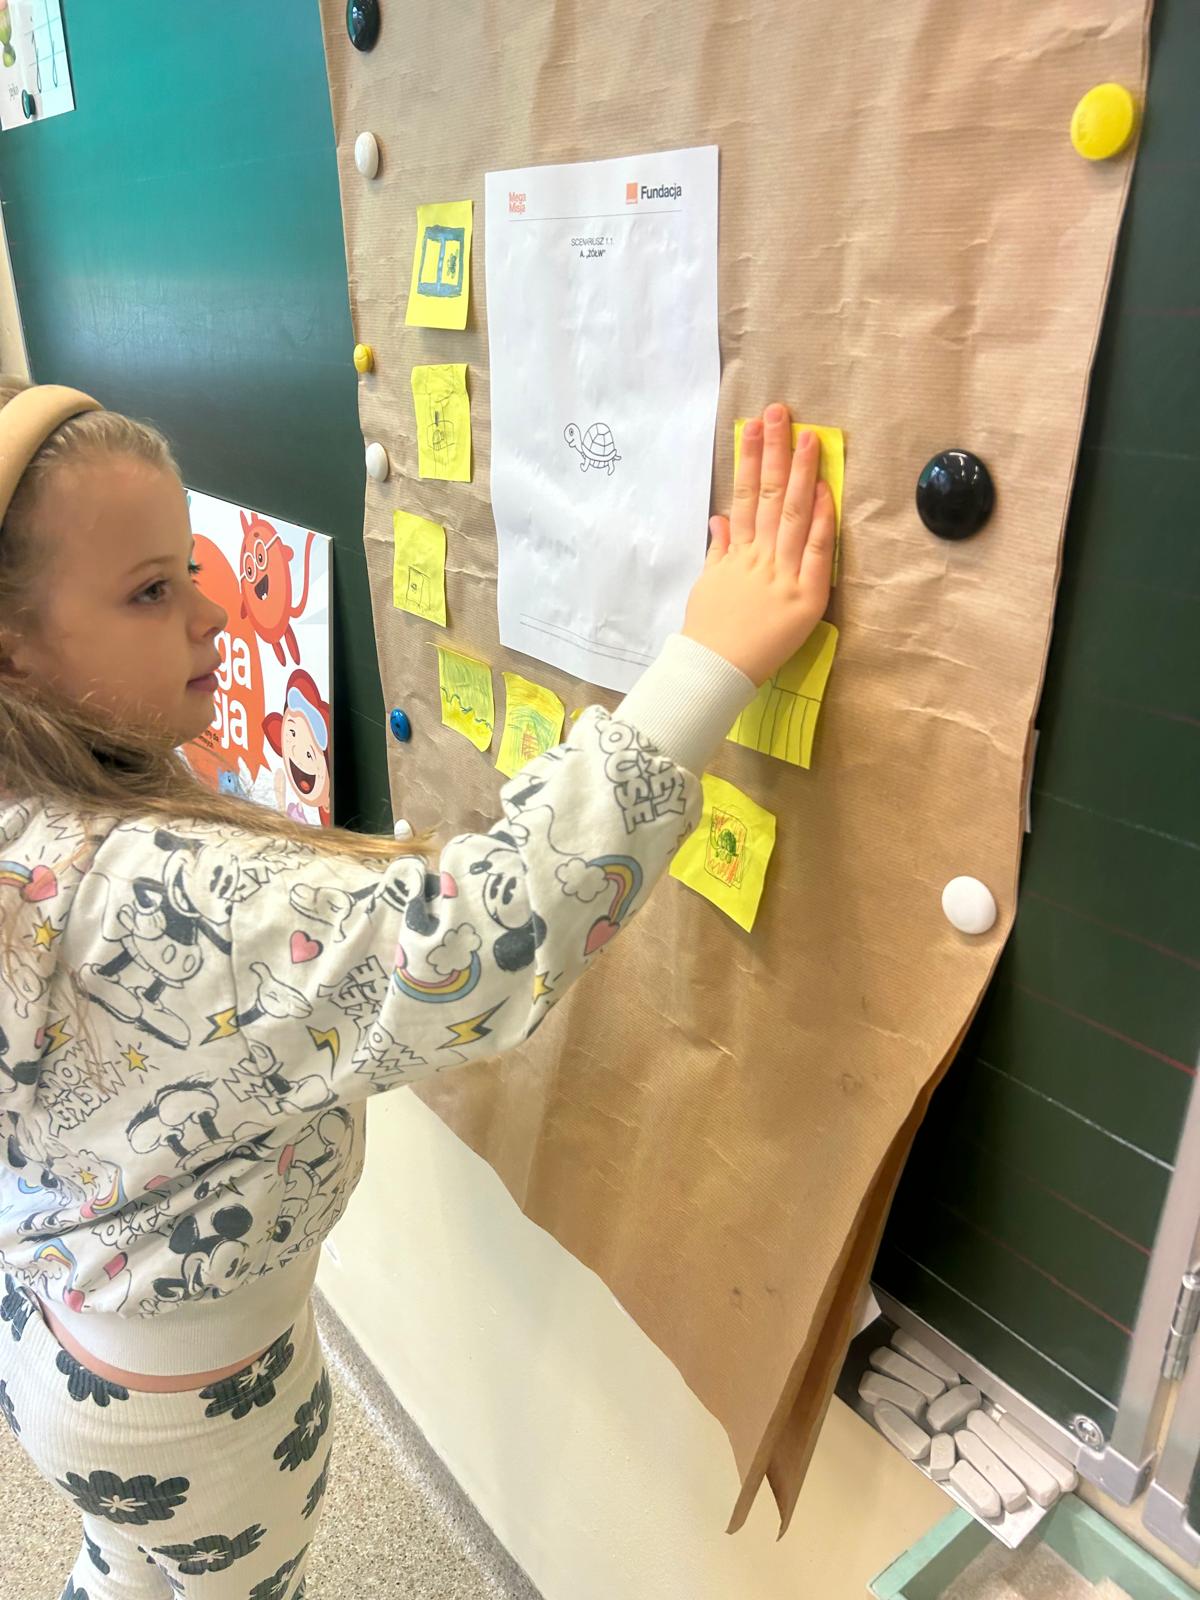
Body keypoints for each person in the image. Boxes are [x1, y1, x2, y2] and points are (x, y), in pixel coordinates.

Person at [0, 377, 833, 1600]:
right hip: (192, 1404)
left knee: (127, 1568)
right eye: (150, 591)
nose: (213, 613)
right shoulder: (137, 888)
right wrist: (710, 661)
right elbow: (475, 937)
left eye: (190, 569)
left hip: (66, 1335)